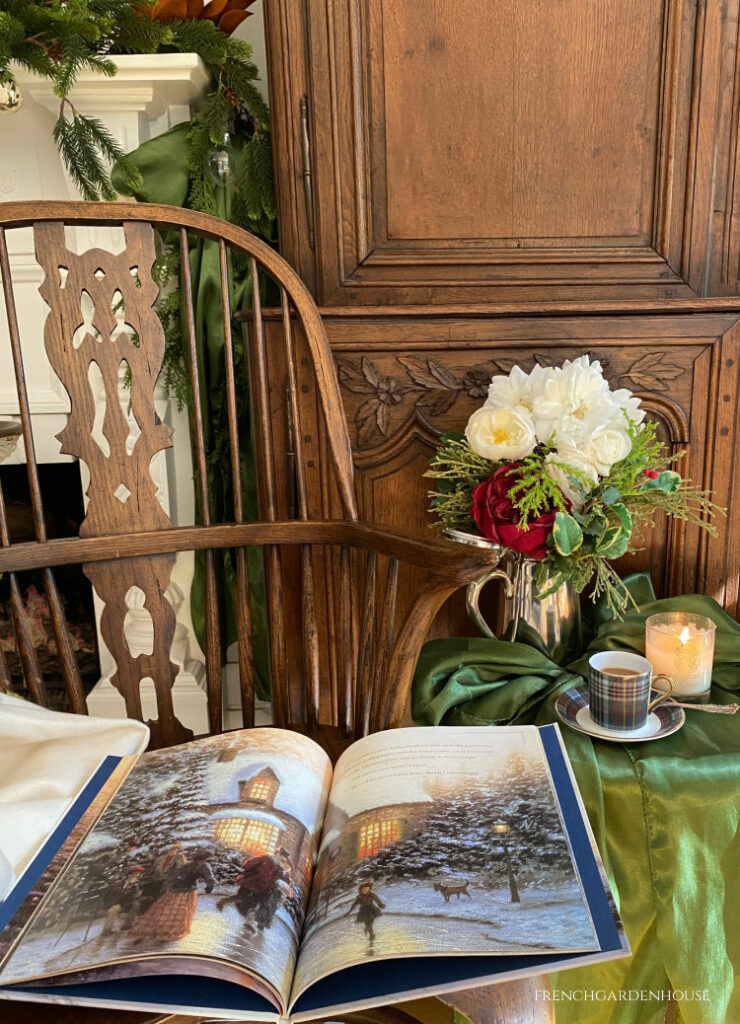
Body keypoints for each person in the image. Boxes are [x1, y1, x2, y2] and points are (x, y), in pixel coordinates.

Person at [131, 846, 214, 943]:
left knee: (163, 910)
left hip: (173, 889)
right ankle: (168, 934)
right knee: (181, 912)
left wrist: (168, 886)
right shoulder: (204, 865)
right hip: (187, 891)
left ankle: (147, 931)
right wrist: (209, 887)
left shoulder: (187, 865)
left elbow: (174, 875)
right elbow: (209, 878)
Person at [217, 847, 292, 933]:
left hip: (263, 888)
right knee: (241, 896)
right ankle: (223, 901)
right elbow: (250, 862)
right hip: (252, 881)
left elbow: (275, 879)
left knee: (256, 904)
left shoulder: (280, 868)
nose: (281, 858)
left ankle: (249, 923)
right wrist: (248, 869)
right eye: (281, 855)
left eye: (283, 858)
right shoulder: (267, 858)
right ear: (277, 853)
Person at [346, 880, 385, 947]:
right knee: (368, 923)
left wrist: (381, 904)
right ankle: (372, 935)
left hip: (372, 910)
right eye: (364, 889)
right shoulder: (359, 897)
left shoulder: (372, 894)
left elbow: (377, 900)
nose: (365, 890)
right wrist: (349, 912)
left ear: (369, 889)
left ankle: (367, 928)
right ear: (361, 889)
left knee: (370, 923)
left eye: (367, 889)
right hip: (363, 911)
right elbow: (354, 904)